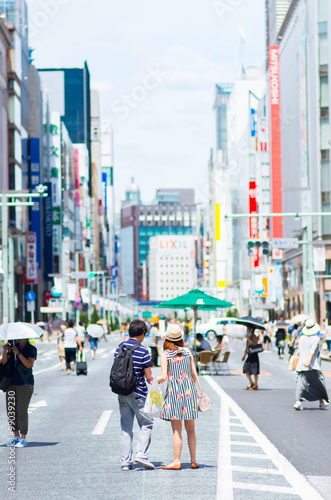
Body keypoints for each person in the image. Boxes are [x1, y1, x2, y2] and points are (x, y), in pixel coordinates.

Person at [114, 319, 154, 471]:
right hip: (138, 393)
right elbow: (148, 375)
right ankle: (141, 455)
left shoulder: (119, 348)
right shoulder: (143, 350)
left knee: (126, 428)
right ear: (143, 333)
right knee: (146, 423)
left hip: (122, 391)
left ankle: (125, 462)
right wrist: (151, 380)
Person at [158, 324, 199, 470]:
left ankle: (177, 461)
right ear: (180, 337)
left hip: (174, 392)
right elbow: (194, 374)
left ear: (166, 338)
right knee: (191, 429)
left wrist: (155, 381)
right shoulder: (187, 351)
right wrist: (189, 385)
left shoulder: (165, 354)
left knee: (177, 429)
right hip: (189, 391)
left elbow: (163, 377)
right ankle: (193, 460)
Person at [2, 339, 37, 447]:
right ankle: (16, 436)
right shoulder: (12, 347)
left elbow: (28, 364)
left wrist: (18, 353)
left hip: (25, 383)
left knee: (21, 410)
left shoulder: (31, 349)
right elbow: (4, 362)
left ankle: (23, 438)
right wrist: (4, 351)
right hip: (11, 383)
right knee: (11, 410)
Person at [294, 319, 329, 411]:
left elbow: (299, 351)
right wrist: (308, 362)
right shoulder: (316, 339)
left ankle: (298, 402)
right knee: (319, 383)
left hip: (301, 365)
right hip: (313, 365)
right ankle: (322, 403)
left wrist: (305, 361)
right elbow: (312, 351)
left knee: (301, 384)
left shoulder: (301, 338)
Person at [242, 326, 260, 390]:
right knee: (246, 369)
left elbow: (254, 344)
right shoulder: (249, 336)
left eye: (247, 329)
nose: (246, 330)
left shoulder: (254, 336)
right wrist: (244, 355)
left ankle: (255, 384)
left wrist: (249, 339)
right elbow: (247, 347)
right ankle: (251, 382)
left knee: (255, 371)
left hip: (254, 355)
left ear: (251, 329)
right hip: (249, 355)